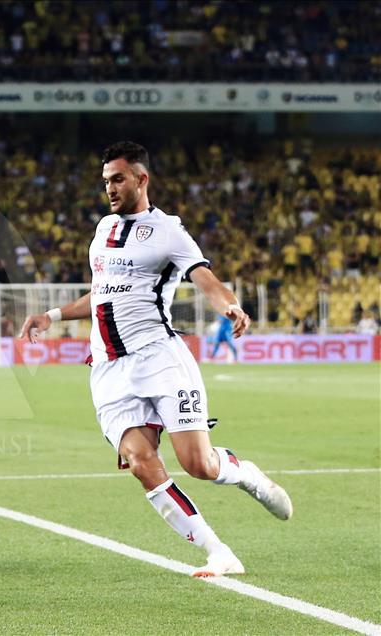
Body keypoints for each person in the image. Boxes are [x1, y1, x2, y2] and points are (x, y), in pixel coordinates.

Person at [19, 141, 292, 578]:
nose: (110, 188)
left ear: (141, 179)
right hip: (108, 369)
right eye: (106, 180)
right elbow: (103, 293)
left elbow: (205, 278)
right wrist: (51, 316)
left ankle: (246, 474)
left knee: (198, 465)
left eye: (118, 179)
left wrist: (230, 306)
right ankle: (218, 552)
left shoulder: (168, 231)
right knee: (140, 462)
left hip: (159, 360)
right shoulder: (103, 230)